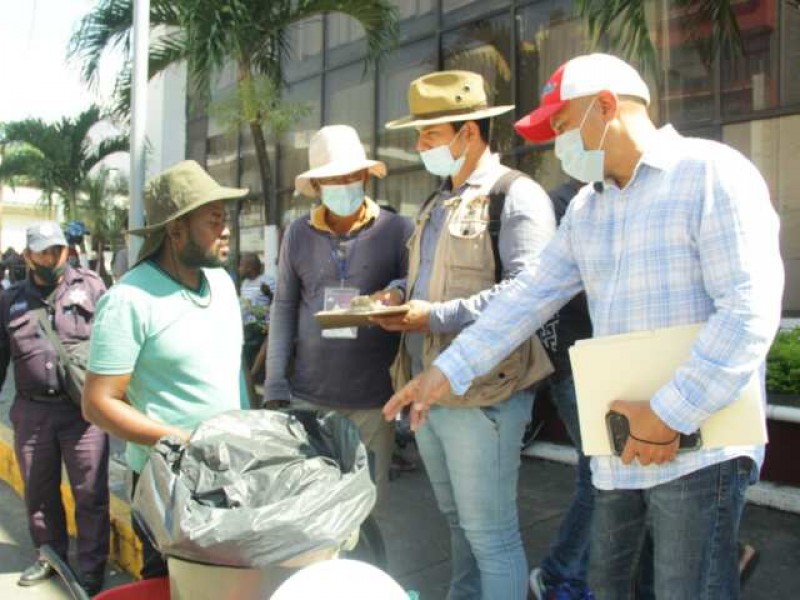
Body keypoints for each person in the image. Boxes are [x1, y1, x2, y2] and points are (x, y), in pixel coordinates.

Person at [384, 54, 784, 600]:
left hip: (702, 448)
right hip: (620, 450)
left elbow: (748, 308)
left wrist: (669, 413)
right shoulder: (589, 211)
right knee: (609, 586)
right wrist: (444, 372)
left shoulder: (711, 173)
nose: (558, 143)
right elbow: (528, 299)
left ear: (605, 106)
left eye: (564, 125)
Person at [372, 70, 556, 600]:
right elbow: (421, 279)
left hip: (485, 393)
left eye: (430, 134)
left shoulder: (515, 197)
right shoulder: (435, 204)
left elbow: (528, 295)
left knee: (492, 536)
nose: (420, 146)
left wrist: (433, 316)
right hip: (427, 391)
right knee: (458, 525)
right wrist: (393, 294)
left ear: (469, 132)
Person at [82, 160, 250, 579]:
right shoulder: (130, 300)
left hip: (231, 468)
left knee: (231, 583)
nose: (225, 229)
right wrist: (183, 440)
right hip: (168, 483)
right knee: (177, 584)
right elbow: (98, 404)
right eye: (214, 221)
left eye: (224, 218)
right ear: (175, 230)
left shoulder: (223, 284)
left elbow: (232, 372)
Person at [264, 124, 412, 514]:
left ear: (365, 176)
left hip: (374, 401)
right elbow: (283, 308)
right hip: (309, 398)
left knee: (368, 508)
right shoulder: (297, 235)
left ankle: (366, 574)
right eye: (333, 179)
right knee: (311, 508)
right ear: (317, 187)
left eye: (351, 176)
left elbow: (417, 285)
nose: (344, 184)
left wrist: (396, 288)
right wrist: (276, 383)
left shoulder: (397, 230)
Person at [0, 222, 110, 595]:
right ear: (28, 255)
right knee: (39, 492)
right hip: (32, 413)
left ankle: (92, 571)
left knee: (90, 494)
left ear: (67, 251)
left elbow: (114, 347)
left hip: (84, 413)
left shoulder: (93, 287)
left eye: (57, 250)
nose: (51, 258)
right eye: (43, 252)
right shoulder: (10, 300)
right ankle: (50, 557)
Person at [528, 178, 596, 600]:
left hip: (607, 358)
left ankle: (576, 572)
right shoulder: (564, 203)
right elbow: (554, 286)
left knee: (619, 477)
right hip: (576, 362)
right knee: (601, 476)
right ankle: (558, 573)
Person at [238, 252, 275, 379]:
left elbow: (278, 303)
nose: (239, 269)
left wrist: (269, 294)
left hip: (261, 323)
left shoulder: (268, 281)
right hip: (245, 323)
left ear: (250, 267)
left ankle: (250, 375)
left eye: (241, 265)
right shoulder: (245, 284)